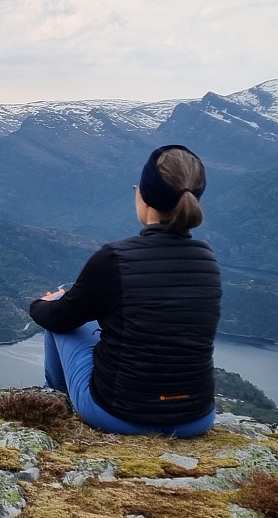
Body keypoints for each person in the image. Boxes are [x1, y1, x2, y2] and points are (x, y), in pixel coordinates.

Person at [28, 144, 220, 437]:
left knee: (61, 318)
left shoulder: (115, 258)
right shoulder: (207, 259)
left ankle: (53, 398)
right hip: (194, 418)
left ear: (142, 196)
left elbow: (58, 318)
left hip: (118, 414)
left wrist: (43, 303)